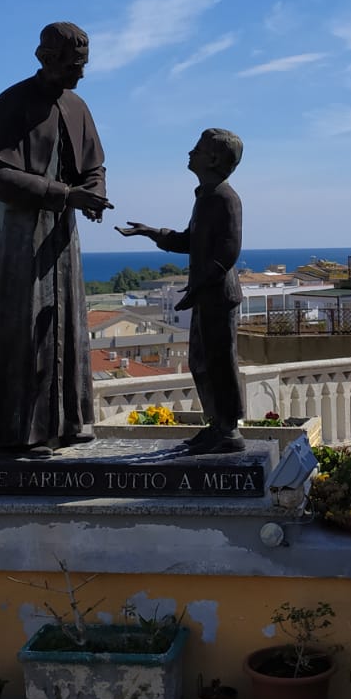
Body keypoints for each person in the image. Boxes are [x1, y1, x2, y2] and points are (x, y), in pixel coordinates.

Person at [0, 22, 112, 456]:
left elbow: (93, 165)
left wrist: (94, 194)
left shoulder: (79, 106)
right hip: (20, 236)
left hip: (62, 234)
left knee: (66, 329)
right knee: (25, 329)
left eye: (83, 66)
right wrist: (64, 194)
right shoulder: (13, 102)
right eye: (72, 66)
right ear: (46, 59)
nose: (79, 75)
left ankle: (66, 424)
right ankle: (22, 432)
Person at [116, 129, 245, 455]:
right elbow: (191, 241)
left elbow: (227, 253)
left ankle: (228, 429)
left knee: (219, 363)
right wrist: (151, 232)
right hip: (206, 294)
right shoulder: (205, 196)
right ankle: (216, 425)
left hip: (218, 294)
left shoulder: (225, 199)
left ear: (213, 159)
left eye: (198, 149)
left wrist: (199, 286)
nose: (190, 153)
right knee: (200, 362)